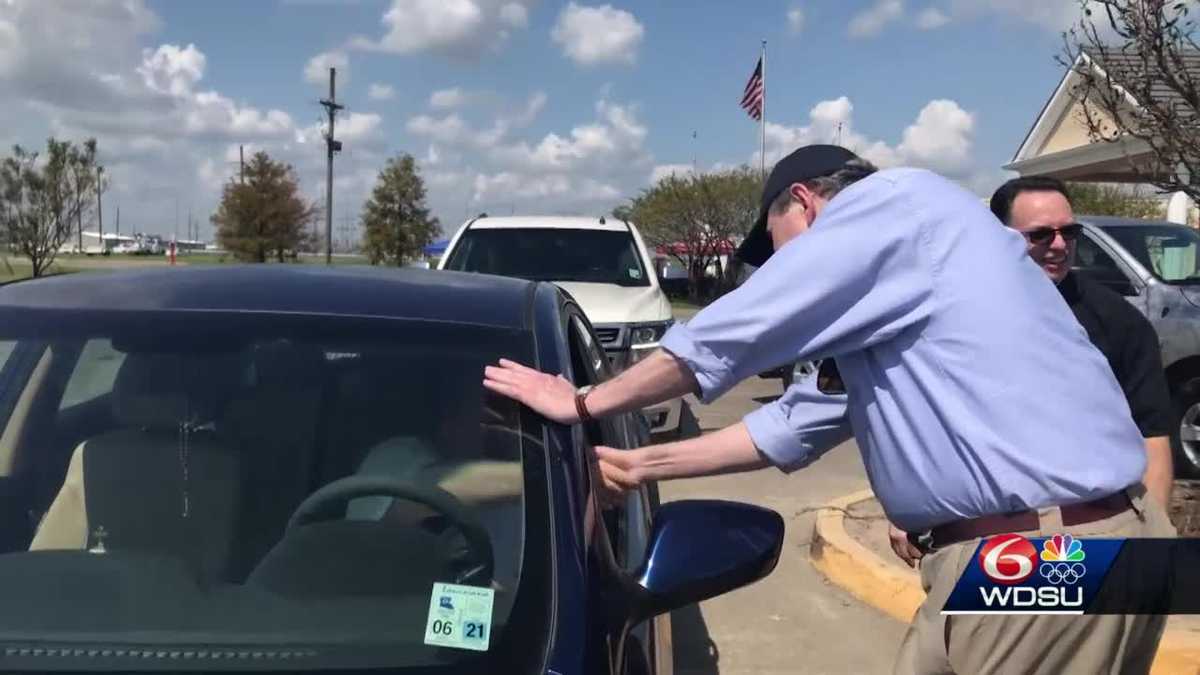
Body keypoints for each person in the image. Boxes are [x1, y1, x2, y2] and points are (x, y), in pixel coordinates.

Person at [483, 144, 1176, 674]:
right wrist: (640, 462)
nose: (777, 263)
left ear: (807, 203)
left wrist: (581, 399)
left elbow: (740, 331)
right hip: (1067, 542)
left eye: (776, 242)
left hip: (1049, 553)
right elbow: (792, 423)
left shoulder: (897, 204)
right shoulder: (898, 293)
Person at [887, 175, 1177, 568]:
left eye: (1068, 232)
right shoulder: (952, 314)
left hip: (1084, 539)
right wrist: (912, 508)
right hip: (978, 539)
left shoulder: (1118, 322)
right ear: (998, 236)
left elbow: (1151, 436)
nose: (1059, 245)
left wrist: (1149, 549)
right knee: (951, 630)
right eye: (1040, 235)